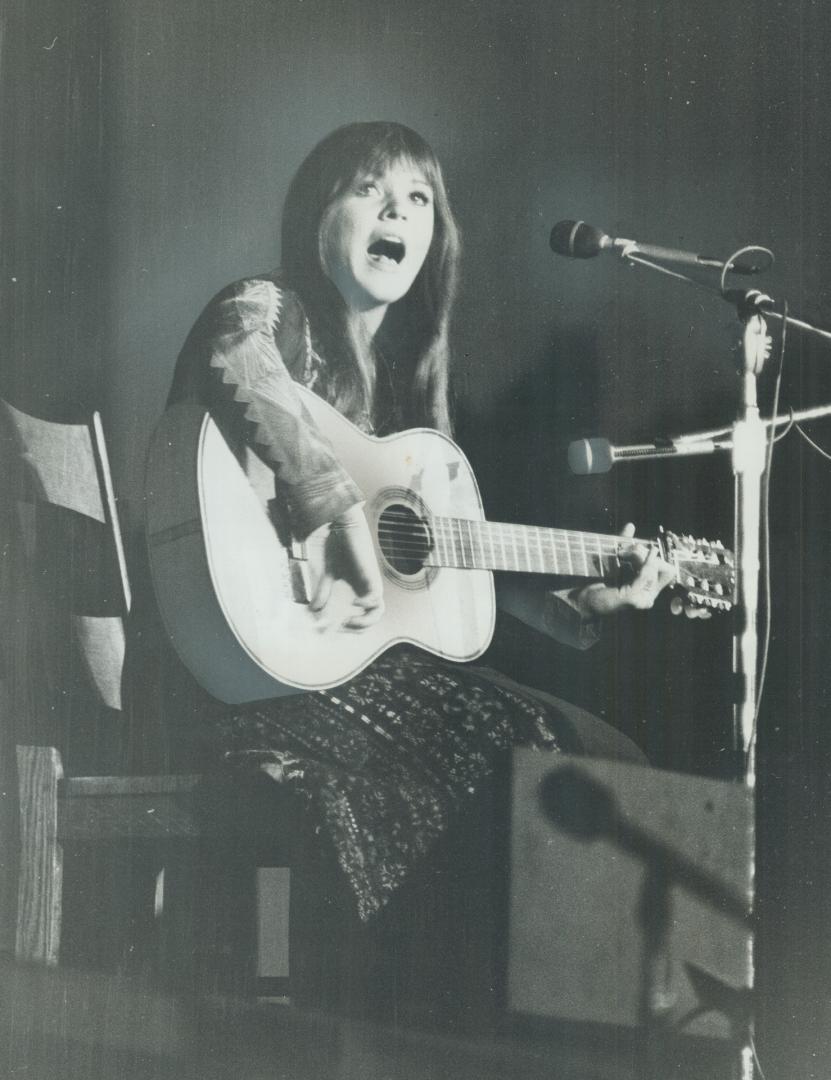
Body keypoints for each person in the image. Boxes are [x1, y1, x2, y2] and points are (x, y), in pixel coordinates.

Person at [166, 121, 673, 1029]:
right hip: (248, 676)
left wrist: (574, 606)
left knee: (602, 754)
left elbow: (436, 566)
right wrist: (325, 507)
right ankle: (422, 1031)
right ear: (312, 214)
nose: (397, 210)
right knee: (522, 746)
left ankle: (521, 1031)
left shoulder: (409, 393)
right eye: (368, 189)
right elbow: (234, 363)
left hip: (347, 672)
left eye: (418, 200)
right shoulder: (266, 308)